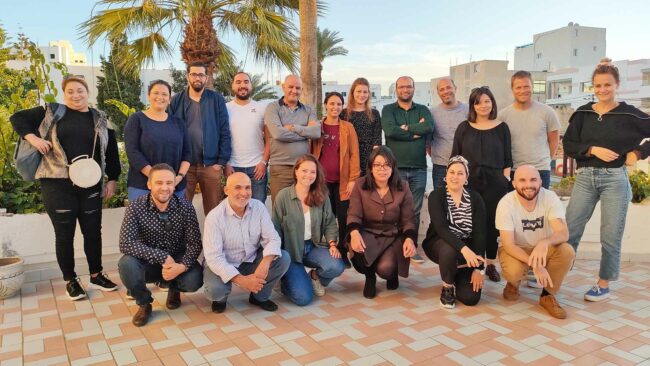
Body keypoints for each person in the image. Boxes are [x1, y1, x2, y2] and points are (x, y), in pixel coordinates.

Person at [10, 76, 120, 301]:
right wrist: (33, 138)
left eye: (80, 90)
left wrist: (112, 179)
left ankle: (96, 275)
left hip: (90, 182)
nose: (75, 95)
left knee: (92, 232)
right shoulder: (50, 112)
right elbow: (17, 118)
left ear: (87, 92)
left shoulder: (99, 118)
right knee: (64, 234)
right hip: (56, 184)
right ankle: (71, 281)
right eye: (70, 91)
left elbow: (110, 152)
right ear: (64, 93)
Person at [563, 60, 650, 302]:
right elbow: (569, 144)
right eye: (598, 85)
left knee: (611, 234)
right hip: (585, 178)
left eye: (607, 85)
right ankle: (558, 272)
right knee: (570, 230)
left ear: (617, 85)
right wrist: (592, 149)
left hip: (615, 179)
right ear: (592, 87)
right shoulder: (583, 113)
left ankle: (603, 283)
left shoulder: (629, 113)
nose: (602, 89)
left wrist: (638, 153)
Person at [118, 164, 203, 326]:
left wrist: (182, 266)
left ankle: (174, 289)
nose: (165, 188)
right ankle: (144, 303)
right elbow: (126, 243)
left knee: (194, 279)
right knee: (127, 264)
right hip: (148, 263)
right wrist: (162, 256)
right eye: (159, 183)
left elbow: (195, 243)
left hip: (176, 261)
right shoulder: (136, 207)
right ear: (149, 185)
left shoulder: (185, 207)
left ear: (174, 184)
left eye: (169, 183)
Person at [203, 172, 290, 313]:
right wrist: (242, 281)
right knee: (215, 291)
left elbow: (273, 238)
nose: (244, 193)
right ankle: (221, 298)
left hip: (250, 259)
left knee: (283, 258)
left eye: (247, 188)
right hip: (224, 262)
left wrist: (265, 263)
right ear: (226, 191)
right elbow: (214, 258)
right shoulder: (215, 217)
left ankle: (258, 297)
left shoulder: (259, 207)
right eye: (237, 187)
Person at [496, 165, 575, 319]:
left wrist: (544, 243)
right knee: (513, 271)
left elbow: (563, 233)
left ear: (540, 181)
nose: (528, 185)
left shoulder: (550, 197)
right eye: (522, 180)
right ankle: (513, 283)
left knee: (567, 251)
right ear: (514, 184)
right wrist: (536, 265)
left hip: (543, 249)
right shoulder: (506, 203)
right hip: (517, 248)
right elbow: (508, 245)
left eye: (533, 180)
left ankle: (547, 295)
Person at [451, 86, 512, 283]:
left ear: (492, 103)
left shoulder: (502, 127)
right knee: (472, 224)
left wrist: (504, 181)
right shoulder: (464, 127)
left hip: (496, 184)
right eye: (478, 102)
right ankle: (474, 263)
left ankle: (491, 263)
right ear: (473, 106)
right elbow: (456, 158)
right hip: (469, 184)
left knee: (493, 226)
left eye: (487, 101)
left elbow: (507, 160)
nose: (483, 105)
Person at [272, 155, 345, 305]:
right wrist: (277, 256)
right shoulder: (283, 197)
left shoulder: (321, 195)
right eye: (304, 170)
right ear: (296, 172)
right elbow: (275, 228)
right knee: (303, 298)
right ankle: (286, 280)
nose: (308, 175)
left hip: (313, 246)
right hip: (291, 251)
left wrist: (332, 244)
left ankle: (314, 277)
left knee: (337, 265)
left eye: (313, 172)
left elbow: (330, 222)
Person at [347, 146, 417, 299]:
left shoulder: (403, 187)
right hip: (368, 233)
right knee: (356, 249)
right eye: (377, 165)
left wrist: (410, 239)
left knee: (386, 269)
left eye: (386, 165)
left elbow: (408, 219)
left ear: (393, 167)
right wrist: (354, 233)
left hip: (392, 235)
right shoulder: (360, 184)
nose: (382, 169)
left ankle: (392, 274)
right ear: (371, 167)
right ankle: (370, 276)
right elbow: (354, 213)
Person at [381, 76, 434, 263]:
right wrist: (414, 134)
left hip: (419, 169)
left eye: (409, 86)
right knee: (393, 209)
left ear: (413, 88)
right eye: (401, 86)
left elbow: (428, 126)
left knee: (415, 210)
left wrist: (405, 128)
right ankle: (393, 246)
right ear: (396, 89)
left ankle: (412, 246)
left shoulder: (423, 109)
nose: (405, 89)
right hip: (395, 169)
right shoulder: (388, 110)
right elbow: (390, 131)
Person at [422, 155, 486, 309]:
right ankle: (448, 287)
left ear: (466, 177)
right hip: (439, 244)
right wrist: (464, 250)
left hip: (467, 250)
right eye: (452, 172)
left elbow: (480, 233)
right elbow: (441, 228)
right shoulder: (436, 196)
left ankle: (456, 273)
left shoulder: (475, 198)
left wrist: (479, 268)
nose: (455, 177)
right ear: (446, 175)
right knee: (448, 249)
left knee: (470, 298)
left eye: (460, 173)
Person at [169, 62, 231, 215]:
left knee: (213, 211)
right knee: (181, 210)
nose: (197, 78)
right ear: (187, 76)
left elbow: (224, 130)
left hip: (210, 165)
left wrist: (221, 162)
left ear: (206, 77)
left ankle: (213, 239)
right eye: (194, 74)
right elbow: (168, 129)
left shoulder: (216, 99)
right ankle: (184, 240)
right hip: (184, 166)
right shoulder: (177, 100)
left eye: (201, 75)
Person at [311, 92, 361, 268]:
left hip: (343, 182)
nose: (335, 107)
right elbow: (311, 153)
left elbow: (355, 154)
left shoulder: (348, 127)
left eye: (339, 104)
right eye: (332, 104)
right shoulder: (317, 127)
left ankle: (343, 250)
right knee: (325, 216)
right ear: (325, 105)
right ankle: (324, 250)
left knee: (343, 217)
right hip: (322, 182)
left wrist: (353, 179)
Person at [124, 80, 190, 201]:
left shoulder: (178, 123)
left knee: (173, 220)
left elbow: (187, 154)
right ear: (149, 96)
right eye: (156, 93)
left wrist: (179, 177)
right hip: (142, 185)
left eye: (164, 94)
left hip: (174, 186)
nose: (160, 97)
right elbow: (133, 152)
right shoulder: (136, 119)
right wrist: (156, 177)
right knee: (142, 220)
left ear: (169, 99)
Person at [499, 71, 560, 189]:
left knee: (540, 207)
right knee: (515, 207)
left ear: (532, 87)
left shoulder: (547, 112)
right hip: (514, 171)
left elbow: (554, 141)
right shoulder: (502, 116)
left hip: (540, 170)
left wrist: (545, 162)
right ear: (512, 89)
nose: (523, 90)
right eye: (518, 87)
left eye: (526, 86)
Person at [265, 75, 320, 202]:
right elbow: (278, 134)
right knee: (280, 209)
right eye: (291, 87)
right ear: (283, 87)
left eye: (298, 88)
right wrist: (306, 132)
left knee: (302, 207)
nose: (294, 91)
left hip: (303, 169)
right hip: (280, 168)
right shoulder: (273, 108)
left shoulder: (308, 110)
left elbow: (316, 132)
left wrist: (294, 128)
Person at [224, 71, 270, 203]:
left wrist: (263, 162)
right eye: (238, 82)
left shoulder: (261, 108)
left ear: (251, 85)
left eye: (246, 82)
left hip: (257, 168)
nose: (242, 85)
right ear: (232, 86)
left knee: (258, 207)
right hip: (233, 167)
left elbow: (269, 139)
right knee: (235, 207)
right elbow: (222, 138)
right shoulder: (225, 108)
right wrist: (226, 164)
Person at [427, 78, 469, 189]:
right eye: (442, 89)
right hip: (441, 167)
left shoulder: (468, 110)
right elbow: (428, 141)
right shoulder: (432, 113)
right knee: (440, 202)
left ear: (455, 88)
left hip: (464, 167)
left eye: (448, 87)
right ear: (438, 93)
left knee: (463, 203)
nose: (445, 91)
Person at [342, 77, 382, 177]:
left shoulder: (374, 113)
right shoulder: (343, 114)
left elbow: (377, 140)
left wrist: (374, 162)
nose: (362, 95)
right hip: (349, 157)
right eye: (359, 91)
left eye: (365, 92)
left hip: (369, 158)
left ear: (368, 94)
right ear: (352, 93)